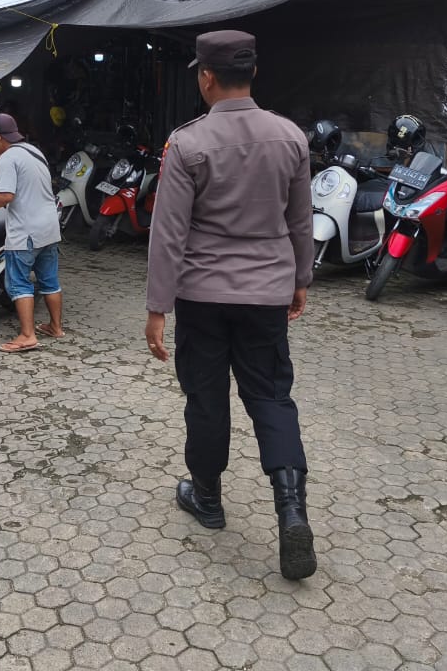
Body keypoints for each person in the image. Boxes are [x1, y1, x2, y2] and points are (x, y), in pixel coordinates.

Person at [144, 29, 317, 582]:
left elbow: (168, 232)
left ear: (206, 77)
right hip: (266, 294)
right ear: (253, 73)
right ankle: (291, 510)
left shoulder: (187, 144)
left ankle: (208, 498)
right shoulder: (290, 137)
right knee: (271, 397)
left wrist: (157, 305)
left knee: (206, 397)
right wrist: (301, 278)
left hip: (202, 296)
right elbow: (300, 220)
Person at [0, 113, 63, 353]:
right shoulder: (34, 151)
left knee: (18, 283)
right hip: (49, 227)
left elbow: (5, 195)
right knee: (49, 280)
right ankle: (56, 327)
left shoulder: (8, 157)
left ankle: (27, 335)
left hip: (26, 231)